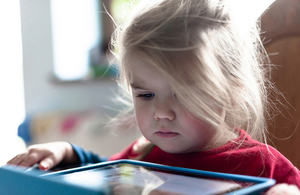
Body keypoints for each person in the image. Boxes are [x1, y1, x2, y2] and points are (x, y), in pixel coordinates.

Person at [7, 0, 300, 194]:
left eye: (184, 95)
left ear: (232, 91)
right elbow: (109, 173)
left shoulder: (267, 168)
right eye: (146, 94)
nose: (161, 112)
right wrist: (69, 155)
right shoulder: (144, 152)